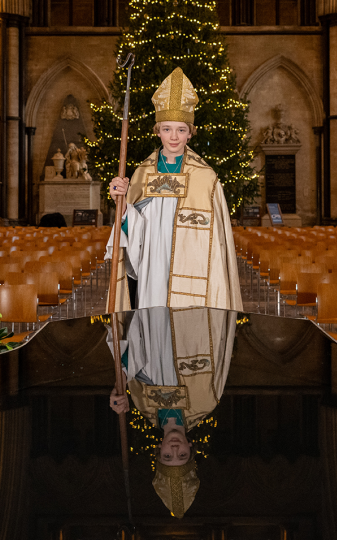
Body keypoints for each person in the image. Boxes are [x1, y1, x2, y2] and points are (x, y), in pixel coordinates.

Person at [105, 67, 242, 311]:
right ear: (158, 131)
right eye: (167, 129)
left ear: (190, 133)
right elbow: (134, 229)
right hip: (153, 268)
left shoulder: (206, 178)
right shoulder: (143, 173)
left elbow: (218, 246)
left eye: (181, 129)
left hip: (193, 269)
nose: (174, 137)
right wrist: (122, 204)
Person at [107, 306, 237, 518]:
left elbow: (133, 347)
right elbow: (219, 336)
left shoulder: (141, 403)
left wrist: (119, 384)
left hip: (151, 307)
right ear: (191, 447)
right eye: (182, 455)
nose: (175, 448)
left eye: (168, 456)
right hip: (191, 306)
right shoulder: (207, 401)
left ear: (158, 449)